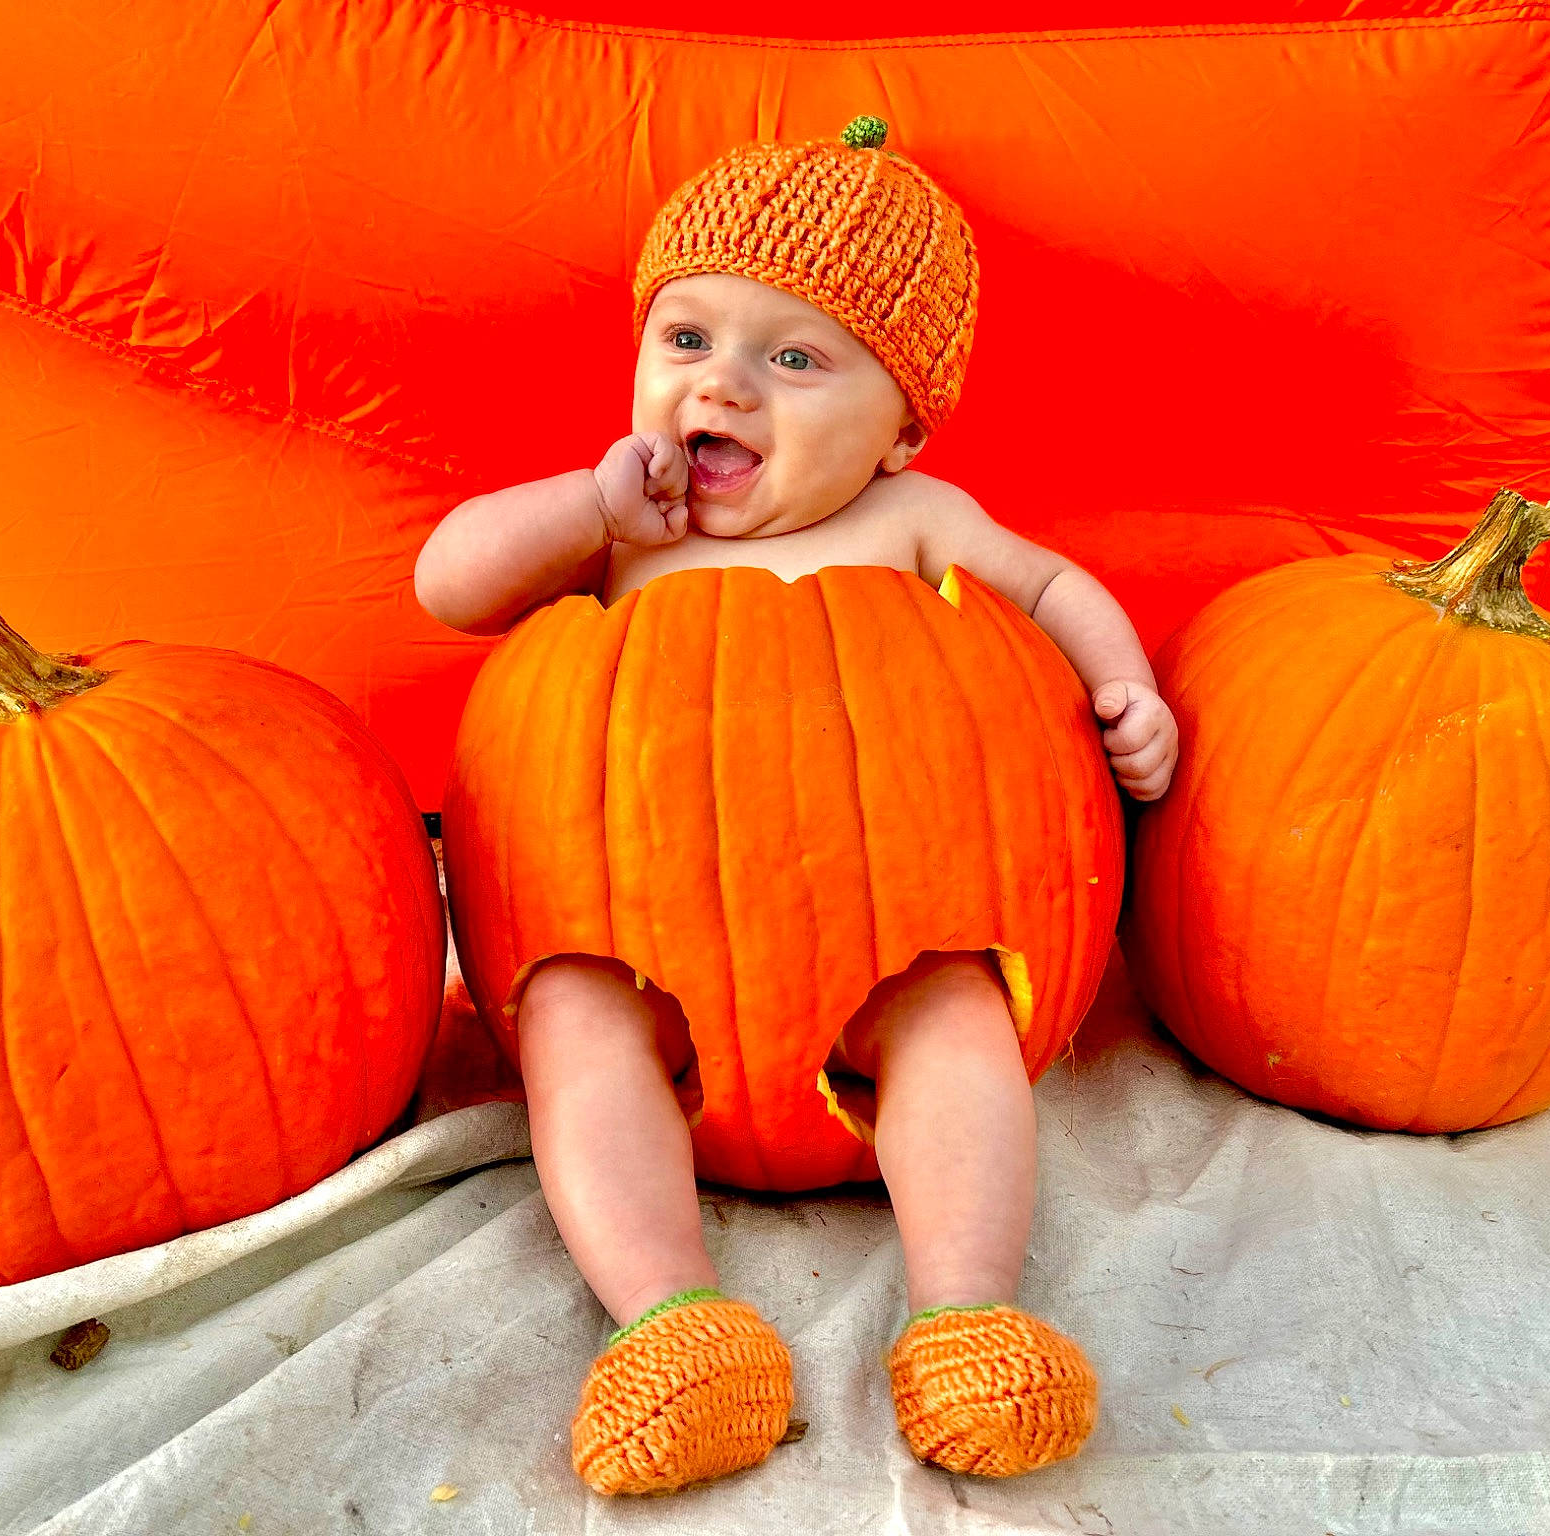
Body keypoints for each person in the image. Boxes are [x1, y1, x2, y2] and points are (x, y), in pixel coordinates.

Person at [415, 115, 1178, 1495]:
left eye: (797, 358)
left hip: (893, 928)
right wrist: (577, 508)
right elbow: (450, 584)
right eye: (688, 340)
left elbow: (1055, 589)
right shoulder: (619, 533)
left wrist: (1126, 689)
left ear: (902, 433)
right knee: (573, 1018)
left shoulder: (921, 521)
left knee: (962, 1018)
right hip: (644, 942)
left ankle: (966, 1310)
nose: (727, 388)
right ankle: (671, 1316)